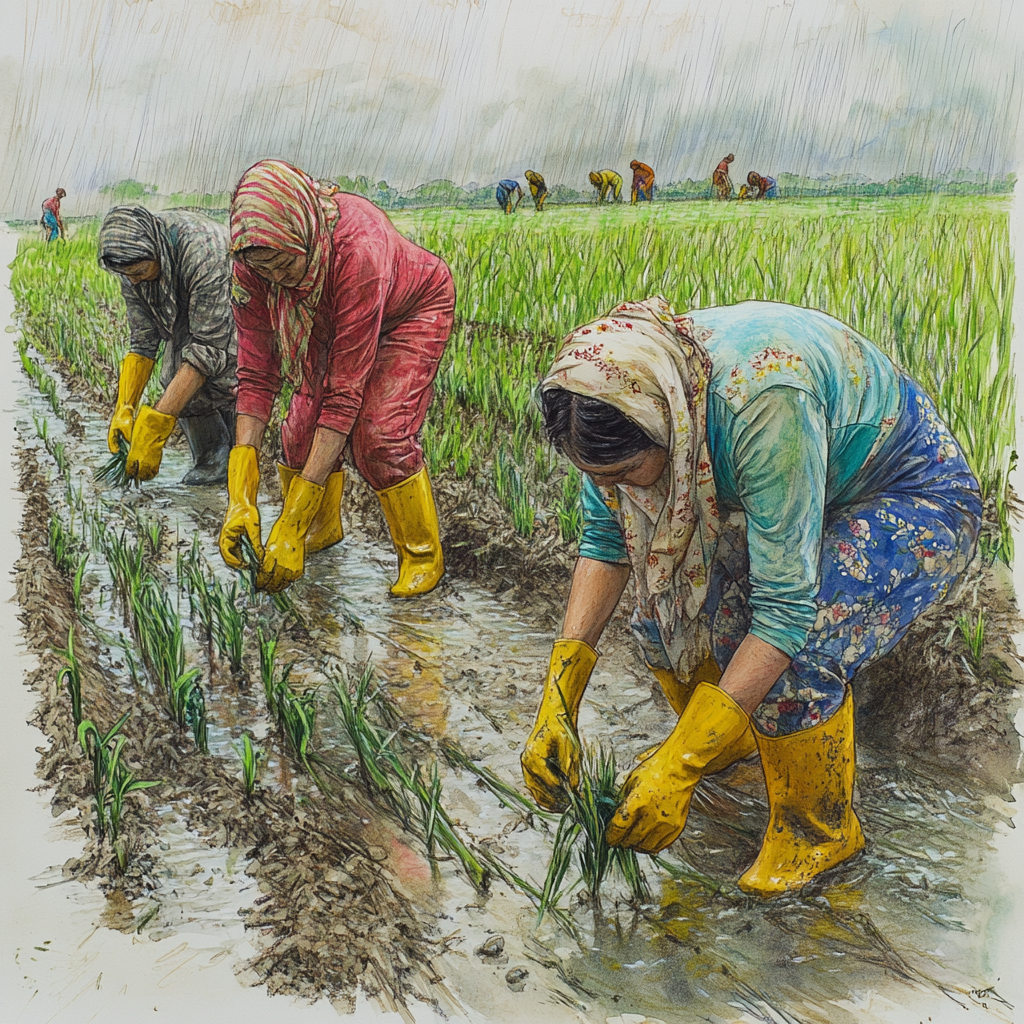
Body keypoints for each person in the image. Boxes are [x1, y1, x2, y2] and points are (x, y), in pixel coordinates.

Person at [522, 296, 980, 895]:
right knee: (663, 617)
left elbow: (785, 613)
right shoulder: (615, 395)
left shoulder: (763, 405)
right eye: (596, 478)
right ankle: (731, 738)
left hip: (910, 495)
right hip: (791, 493)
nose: (611, 491)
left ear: (671, 430)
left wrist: (676, 763)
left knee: (803, 640)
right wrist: (558, 701)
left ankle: (818, 832)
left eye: (623, 473)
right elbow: (607, 539)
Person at [221, 159, 455, 597]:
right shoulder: (252, 261)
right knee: (298, 433)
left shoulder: (357, 247)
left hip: (410, 312)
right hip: (326, 318)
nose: (276, 280)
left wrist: (287, 522)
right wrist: (240, 501)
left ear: (303, 233)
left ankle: (421, 554)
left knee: (378, 434)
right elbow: (256, 374)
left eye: (282, 265)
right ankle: (320, 530)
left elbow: (344, 396)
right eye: (264, 271)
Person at [98, 206, 238, 485]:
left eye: (139, 272)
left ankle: (233, 453)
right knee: (172, 375)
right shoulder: (133, 265)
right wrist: (125, 407)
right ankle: (211, 456)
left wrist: (157, 424)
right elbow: (143, 339)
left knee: (224, 372)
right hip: (186, 300)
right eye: (128, 276)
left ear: (155, 251)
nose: (134, 281)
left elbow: (209, 345)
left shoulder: (203, 249)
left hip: (233, 298)